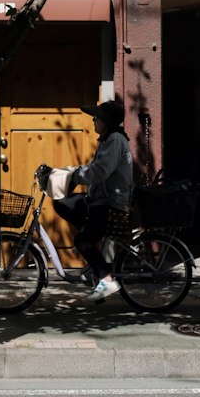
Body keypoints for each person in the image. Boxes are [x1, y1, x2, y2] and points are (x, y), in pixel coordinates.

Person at [52, 98, 133, 300]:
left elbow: (99, 172)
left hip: (109, 203)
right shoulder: (108, 140)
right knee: (62, 204)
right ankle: (95, 257)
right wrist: (69, 172)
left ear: (107, 121)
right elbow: (94, 170)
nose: (93, 120)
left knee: (82, 241)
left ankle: (105, 279)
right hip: (99, 199)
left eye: (97, 117)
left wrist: (72, 176)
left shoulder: (114, 140)